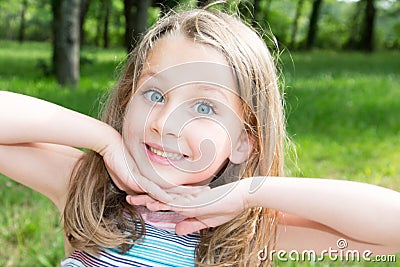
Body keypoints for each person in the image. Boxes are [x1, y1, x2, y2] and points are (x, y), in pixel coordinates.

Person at [0, 7, 399, 267]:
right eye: (154, 95)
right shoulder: (88, 190)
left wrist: (250, 193)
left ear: (245, 141)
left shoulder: (247, 232)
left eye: (205, 108)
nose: (165, 123)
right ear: (127, 101)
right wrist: (104, 139)